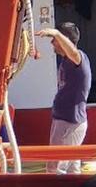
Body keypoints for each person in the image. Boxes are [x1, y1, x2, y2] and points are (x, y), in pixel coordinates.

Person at [36, 22, 91, 174]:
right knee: (72, 169)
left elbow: (73, 52)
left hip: (69, 123)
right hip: (66, 121)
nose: (52, 42)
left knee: (54, 169)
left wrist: (56, 34)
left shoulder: (78, 59)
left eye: (54, 39)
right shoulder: (67, 61)